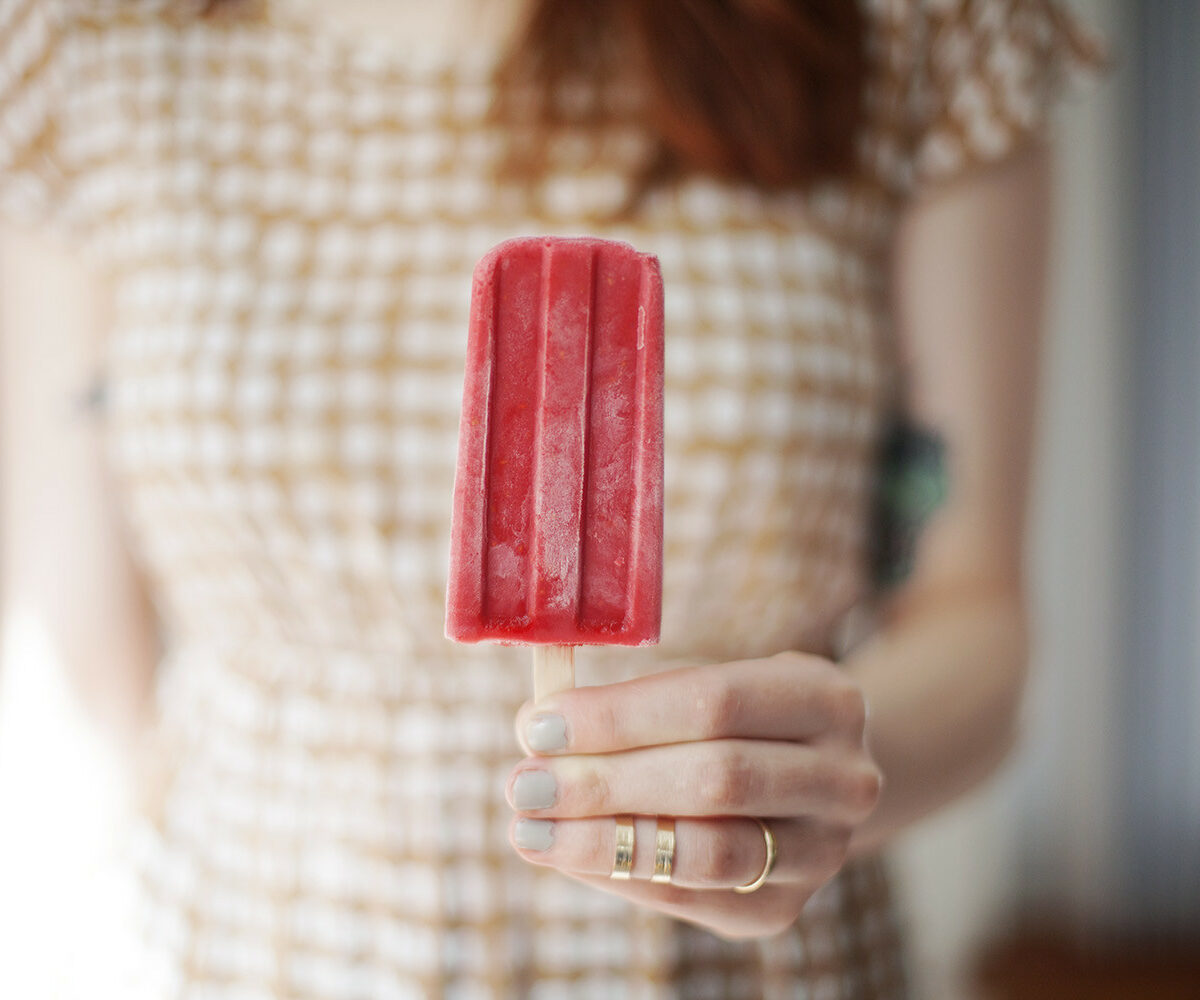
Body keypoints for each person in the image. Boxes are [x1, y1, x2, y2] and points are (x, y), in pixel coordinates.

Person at [0, 0, 1106, 996]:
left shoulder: (913, 26)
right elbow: (90, 617)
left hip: (750, 965)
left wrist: (828, 773)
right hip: (240, 948)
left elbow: (974, 606)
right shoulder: (99, 41)